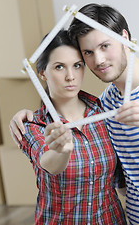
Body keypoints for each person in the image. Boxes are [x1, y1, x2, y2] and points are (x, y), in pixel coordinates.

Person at [10, 3, 139, 224]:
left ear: (125, 38)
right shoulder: (106, 105)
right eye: (88, 53)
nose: (99, 60)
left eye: (105, 46)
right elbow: (122, 177)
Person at [16, 29, 127, 224]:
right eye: (59, 67)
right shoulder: (33, 125)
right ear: (42, 72)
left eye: (77, 66)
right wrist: (62, 151)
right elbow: (49, 164)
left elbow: (123, 180)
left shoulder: (104, 111)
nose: (70, 76)